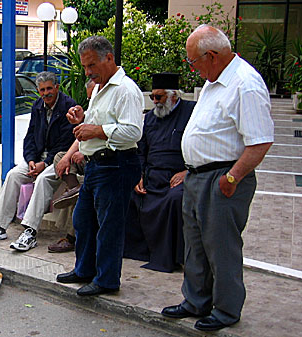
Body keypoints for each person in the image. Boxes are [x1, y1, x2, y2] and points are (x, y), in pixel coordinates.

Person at [161, 25, 274, 331]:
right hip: (199, 177)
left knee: (220, 247)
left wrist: (233, 178)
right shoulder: (215, 81)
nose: (192, 69)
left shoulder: (244, 84)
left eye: (193, 62)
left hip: (224, 178)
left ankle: (225, 309)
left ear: (210, 56)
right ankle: (195, 301)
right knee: (195, 245)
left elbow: (260, 141)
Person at [56, 36, 144, 296]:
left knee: (109, 225)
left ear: (109, 58)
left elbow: (133, 132)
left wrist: (98, 130)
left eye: (92, 65)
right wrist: (83, 119)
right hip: (96, 165)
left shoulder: (125, 89)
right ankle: (84, 270)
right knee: (83, 219)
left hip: (116, 164)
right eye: (84, 67)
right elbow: (100, 122)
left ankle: (106, 280)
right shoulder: (98, 88)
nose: (88, 72)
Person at [0, 71, 76, 251]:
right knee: (13, 175)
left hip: (59, 159)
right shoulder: (38, 106)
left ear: (57, 87)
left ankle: (30, 231)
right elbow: (29, 137)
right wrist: (30, 160)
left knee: (43, 180)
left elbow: (66, 143)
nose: (46, 93)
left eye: (49, 89)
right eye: (42, 90)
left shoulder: (68, 106)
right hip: (37, 158)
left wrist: (44, 164)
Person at [123, 72, 195, 272]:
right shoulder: (150, 119)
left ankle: (169, 257)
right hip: (152, 176)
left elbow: (201, 148)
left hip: (178, 176)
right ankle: (137, 252)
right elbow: (141, 151)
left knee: (174, 200)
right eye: (152, 97)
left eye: (159, 97)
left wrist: (187, 172)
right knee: (127, 193)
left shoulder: (192, 113)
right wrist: (139, 175)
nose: (155, 102)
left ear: (174, 96)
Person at [47, 79, 96, 253]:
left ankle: (70, 237)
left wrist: (85, 152)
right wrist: (67, 157)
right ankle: (72, 188)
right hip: (87, 158)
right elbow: (80, 137)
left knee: (83, 194)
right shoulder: (92, 109)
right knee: (60, 157)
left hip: (101, 160)